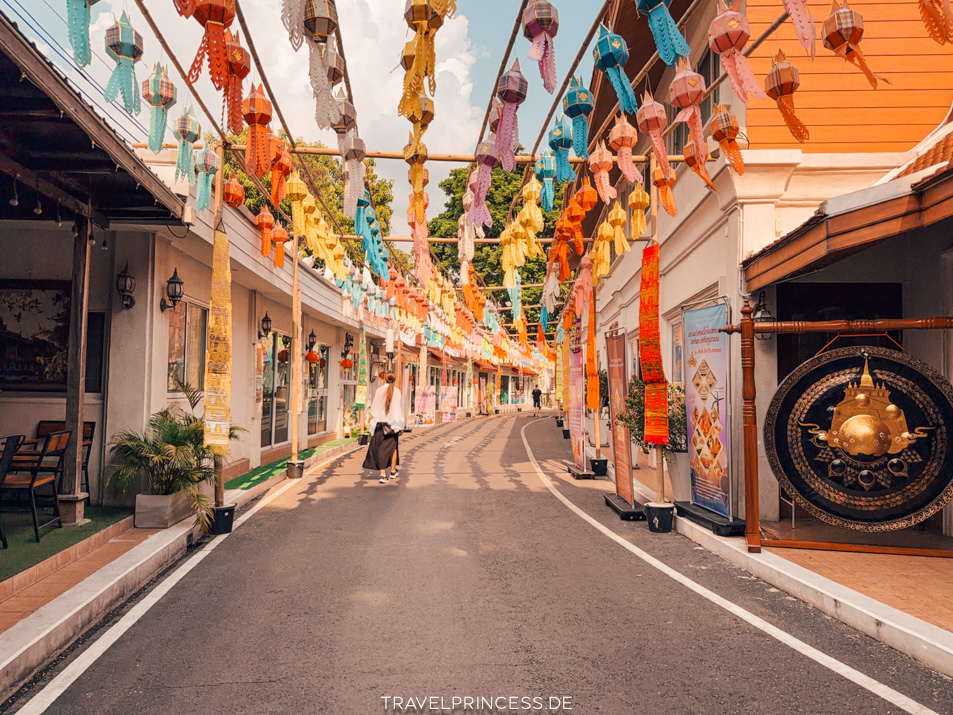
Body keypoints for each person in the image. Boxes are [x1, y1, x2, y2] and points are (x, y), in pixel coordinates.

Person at [363, 372, 406, 483]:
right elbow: (398, 409)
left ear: (384, 379)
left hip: (380, 424)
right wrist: (401, 425)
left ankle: (383, 474)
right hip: (393, 425)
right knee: (393, 448)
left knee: (381, 448)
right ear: (394, 380)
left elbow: (374, 408)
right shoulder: (397, 391)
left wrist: (375, 419)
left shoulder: (379, 390)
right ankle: (393, 471)